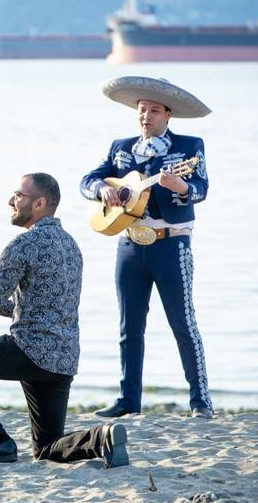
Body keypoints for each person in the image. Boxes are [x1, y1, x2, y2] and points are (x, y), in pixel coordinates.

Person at [0, 173, 129, 467]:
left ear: (40, 203)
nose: (11, 201)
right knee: (47, 449)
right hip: (63, 360)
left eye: (18, 196)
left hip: (28, 352)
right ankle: (101, 438)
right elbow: (37, 307)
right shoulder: (71, 247)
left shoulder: (23, 244)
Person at [80, 76, 213, 420]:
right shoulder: (121, 147)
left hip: (172, 244)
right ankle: (128, 400)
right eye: (142, 110)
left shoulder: (189, 146)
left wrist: (181, 185)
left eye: (154, 110)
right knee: (129, 327)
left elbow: (201, 188)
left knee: (183, 323)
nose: (146, 116)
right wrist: (102, 191)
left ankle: (200, 401)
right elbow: (87, 180)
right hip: (129, 246)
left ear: (169, 114)